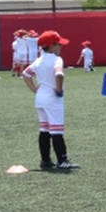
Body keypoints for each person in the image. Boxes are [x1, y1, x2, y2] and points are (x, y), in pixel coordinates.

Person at [22, 30, 79, 170]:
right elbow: (59, 74)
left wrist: (35, 90)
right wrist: (59, 90)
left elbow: (25, 74)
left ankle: (45, 161)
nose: (61, 47)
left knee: (44, 129)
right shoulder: (57, 59)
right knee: (57, 130)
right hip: (52, 98)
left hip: (40, 97)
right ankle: (62, 160)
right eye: (58, 44)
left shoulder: (38, 60)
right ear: (51, 46)